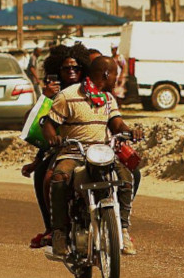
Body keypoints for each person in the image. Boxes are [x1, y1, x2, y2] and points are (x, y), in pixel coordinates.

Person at [43, 56, 143, 256]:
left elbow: (116, 124)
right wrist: (53, 138)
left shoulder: (108, 98)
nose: (117, 78)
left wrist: (130, 131)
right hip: (74, 152)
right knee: (59, 178)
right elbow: (47, 124)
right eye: (115, 73)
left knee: (126, 178)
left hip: (102, 153)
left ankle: (122, 229)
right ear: (106, 74)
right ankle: (59, 232)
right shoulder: (67, 96)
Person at [23, 43, 91, 249]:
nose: (72, 71)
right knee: (45, 178)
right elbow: (38, 126)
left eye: (76, 67)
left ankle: (120, 225)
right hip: (64, 148)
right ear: (57, 70)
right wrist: (45, 97)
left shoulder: (91, 90)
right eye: (66, 68)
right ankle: (53, 228)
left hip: (94, 146)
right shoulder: (53, 94)